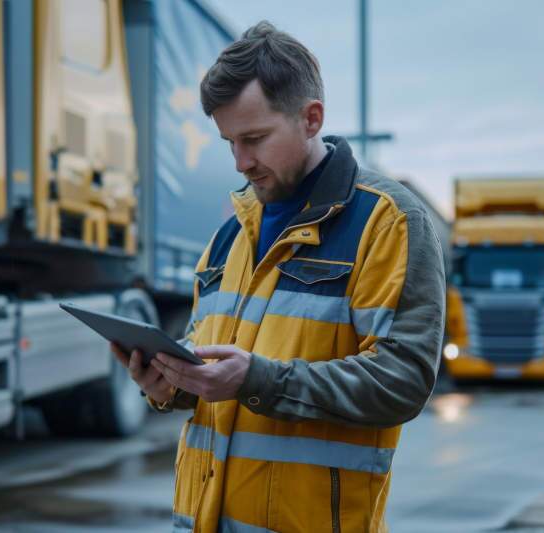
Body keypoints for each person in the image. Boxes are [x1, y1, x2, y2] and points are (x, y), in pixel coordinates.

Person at [111, 20, 445, 533]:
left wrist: (258, 378)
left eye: (255, 139)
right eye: (229, 142)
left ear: (311, 118)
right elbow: (214, 363)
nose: (242, 162)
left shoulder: (388, 222)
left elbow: (402, 381)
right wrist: (170, 382)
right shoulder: (232, 232)